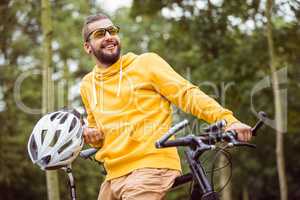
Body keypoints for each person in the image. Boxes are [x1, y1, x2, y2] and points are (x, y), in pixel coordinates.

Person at [79, 13, 252, 200]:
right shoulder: (87, 85)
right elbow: (97, 132)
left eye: (112, 31)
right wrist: (92, 134)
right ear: (87, 47)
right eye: (100, 34)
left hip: (150, 167)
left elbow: (187, 94)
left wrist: (228, 121)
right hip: (112, 177)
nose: (108, 36)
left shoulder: (145, 63)